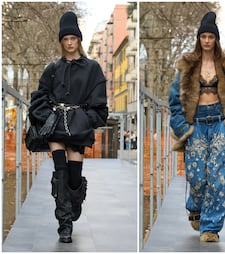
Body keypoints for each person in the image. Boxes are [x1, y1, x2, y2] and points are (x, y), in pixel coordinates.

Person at [169, 11, 225, 242]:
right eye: (203, 36)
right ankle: (195, 207)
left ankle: (211, 227)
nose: (206, 40)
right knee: (196, 176)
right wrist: (182, 125)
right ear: (198, 39)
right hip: (195, 124)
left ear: (216, 39)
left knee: (219, 176)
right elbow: (174, 100)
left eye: (210, 37)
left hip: (220, 124)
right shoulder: (187, 65)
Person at [28, 11, 108, 243]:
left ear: (79, 40)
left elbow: (100, 105)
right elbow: (39, 97)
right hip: (56, 128)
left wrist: (83, 119)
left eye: (74, 38)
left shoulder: (92, 68)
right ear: (61, 41)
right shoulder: (52, 68)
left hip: (78, 128)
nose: (70, 43)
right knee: (60, 173)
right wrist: (49, 116)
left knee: (74, 177)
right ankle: (65, 224)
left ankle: (74, 203)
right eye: (66, 39)